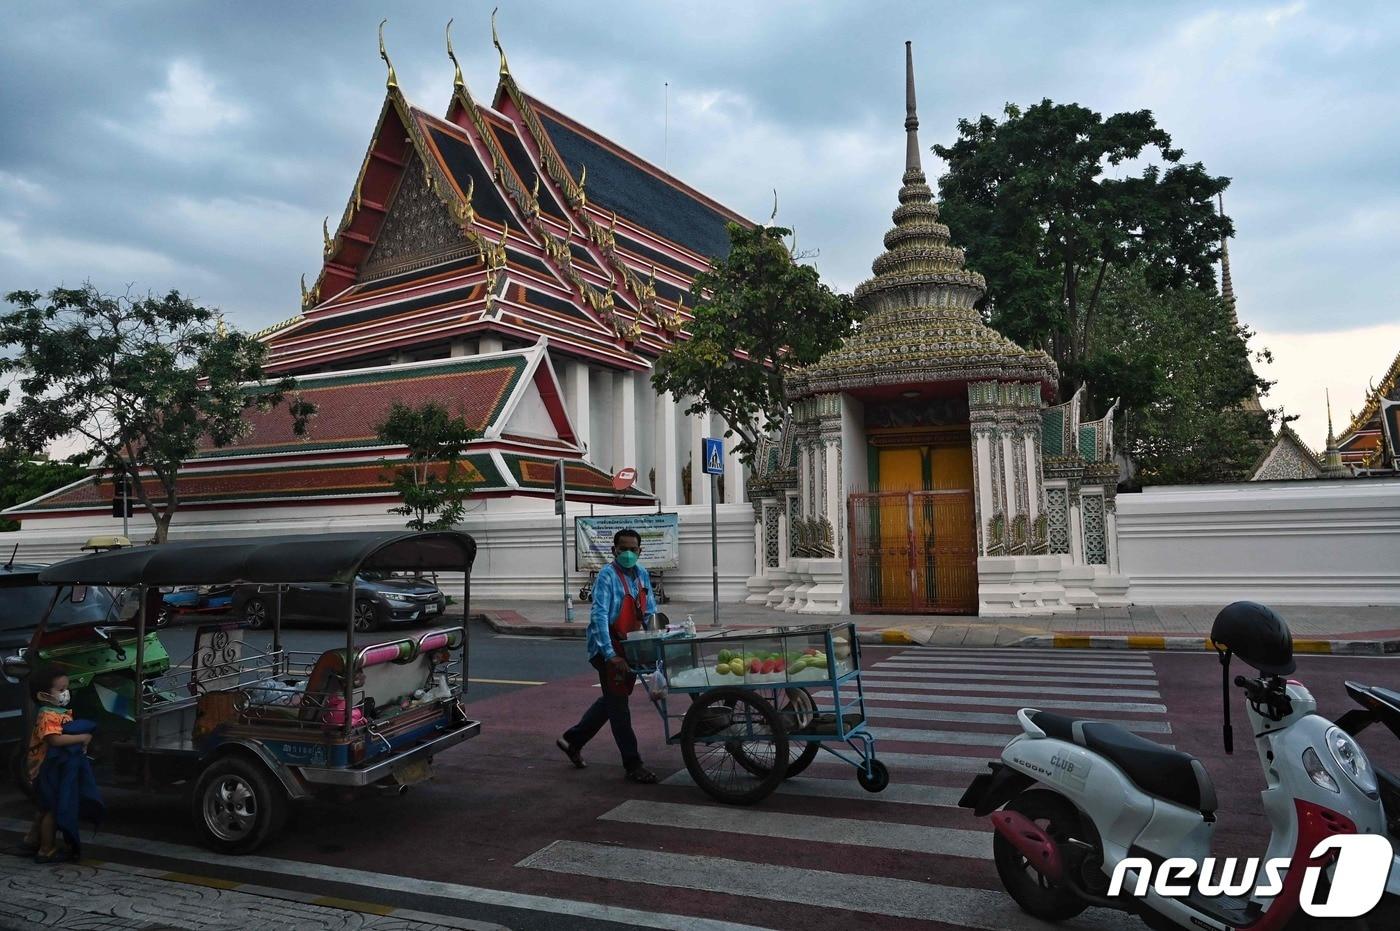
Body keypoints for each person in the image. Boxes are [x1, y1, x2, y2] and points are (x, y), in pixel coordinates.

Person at [557, 528, 658, 783]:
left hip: (629, 646)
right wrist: (611, 655)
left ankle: (572, 740)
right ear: (614, 551)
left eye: (632, 549)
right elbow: (599, 617)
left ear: (639, 551)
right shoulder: (606, 576)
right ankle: (633, 764)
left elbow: (649, 613)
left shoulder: (643, 574)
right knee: (619, 708)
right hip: (606, 649)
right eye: (622, 549)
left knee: (613, 700)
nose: (627, 553)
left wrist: (656, 640)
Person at [14, 668, 90, 863]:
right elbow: (54, 740)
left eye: (67, 688)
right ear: (43, 695)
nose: (66, 693)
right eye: (61, 689)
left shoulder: (58, 711)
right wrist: (82, 737)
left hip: (49, 768)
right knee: (52, 810)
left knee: (44, 807)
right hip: (45, 769)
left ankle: (31, 840)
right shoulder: (48, 715)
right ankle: (46, 849)